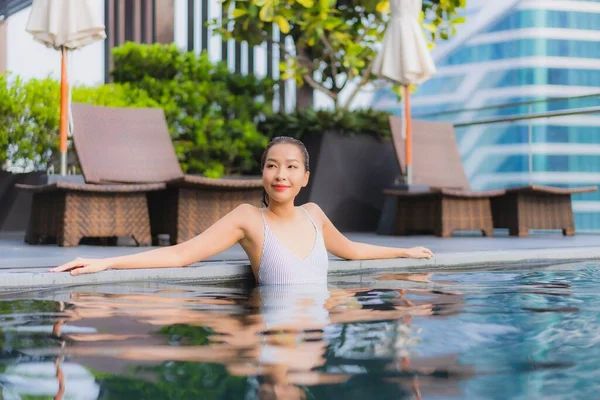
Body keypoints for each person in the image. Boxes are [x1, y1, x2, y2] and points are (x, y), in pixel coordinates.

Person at [50, 136, 434, 283]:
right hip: (275, 335)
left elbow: (351, 250)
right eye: (271, 165)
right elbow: (183, 254)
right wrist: (106, 263)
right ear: (263, 173)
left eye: (290, 167)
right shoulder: (249, 218)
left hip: (319, 330)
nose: (280, 174)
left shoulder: (314, 214)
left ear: (305, 177)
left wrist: (405, 252)